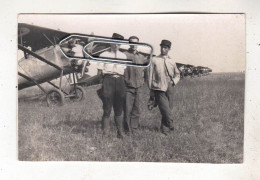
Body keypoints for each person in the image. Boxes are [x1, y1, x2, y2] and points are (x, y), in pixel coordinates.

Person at [97, 33, 127, 138]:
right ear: (110, 42)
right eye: (114, 43)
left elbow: (124, 70)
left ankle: (120, 132)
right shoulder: (104, 55)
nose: (116, 46)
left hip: (119, 81)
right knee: (107, 107)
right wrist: (103, 84)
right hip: (108, 80)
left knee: (119, 107)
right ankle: (105, 132)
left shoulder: (123, 56)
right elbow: (99, 71)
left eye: (119, 44)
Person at [148, 39, 180, 136]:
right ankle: (171, 124)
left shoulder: (172, 61)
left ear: (169, 49)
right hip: (159, 87)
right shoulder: (154, 60)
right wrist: (151, 90)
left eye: (165, 48)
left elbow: (177, 74)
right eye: (162, 47)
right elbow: (149, 76)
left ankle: (164, 130)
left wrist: (173, 81)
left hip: (169, 86)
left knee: (168, 109)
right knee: (165, 108)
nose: (163, 49)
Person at [124, 36, 147, 134]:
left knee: (136, 109)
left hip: (138, 86)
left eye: (136, 43)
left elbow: (144, 69)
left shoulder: (141, 57)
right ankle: (126, 129)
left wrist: (142, 81)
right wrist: (126, 81)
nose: (134, 45)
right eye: (132, 43)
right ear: (129, 44)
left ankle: (134, 129)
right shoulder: (124, 55)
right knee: (127, 108)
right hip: (128, 87)